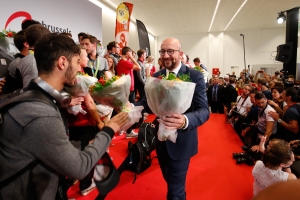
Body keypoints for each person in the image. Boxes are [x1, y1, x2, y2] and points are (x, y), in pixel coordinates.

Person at [0, 33, 128, 199]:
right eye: (76, 62)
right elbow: (80, 167)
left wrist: (82, 144)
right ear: (62, 62)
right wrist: (108, 130)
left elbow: (46, 146)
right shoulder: (40, 114)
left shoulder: (30, 97)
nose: (78, 69)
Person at [135, 38, 209, 200]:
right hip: (160, 140)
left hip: (182, 142)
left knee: (174, 189)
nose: (166, 55)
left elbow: (204, 110)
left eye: (171, 51)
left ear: (180, 54)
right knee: (171, 180)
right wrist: (131, 108)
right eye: (162, 51)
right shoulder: (156, 76)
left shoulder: (194, 76)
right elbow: (147, 103)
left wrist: (185, 120)